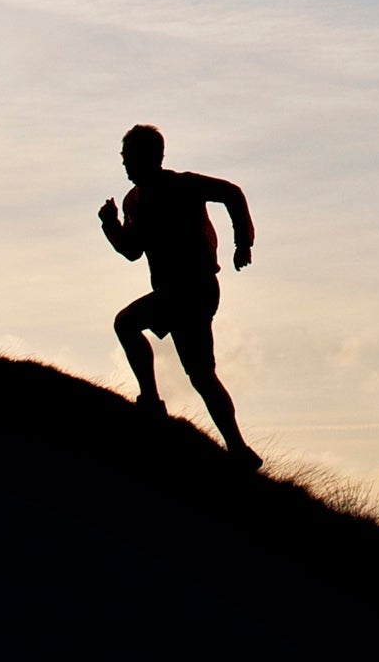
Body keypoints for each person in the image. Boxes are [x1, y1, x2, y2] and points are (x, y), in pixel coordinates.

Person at [98, 124, 260, 468]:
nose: (125, 165)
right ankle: (237, 448)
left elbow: (232, 193)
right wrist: (111, 224)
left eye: (129, 158)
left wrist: (242, 240)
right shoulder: (134, 201)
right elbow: (132, 251)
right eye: (124, 158)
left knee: (130, 326)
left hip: (195, 288)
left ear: (151, 157)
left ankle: (156, 404)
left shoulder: (182, 185)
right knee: (199, 373)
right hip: (172, 291)